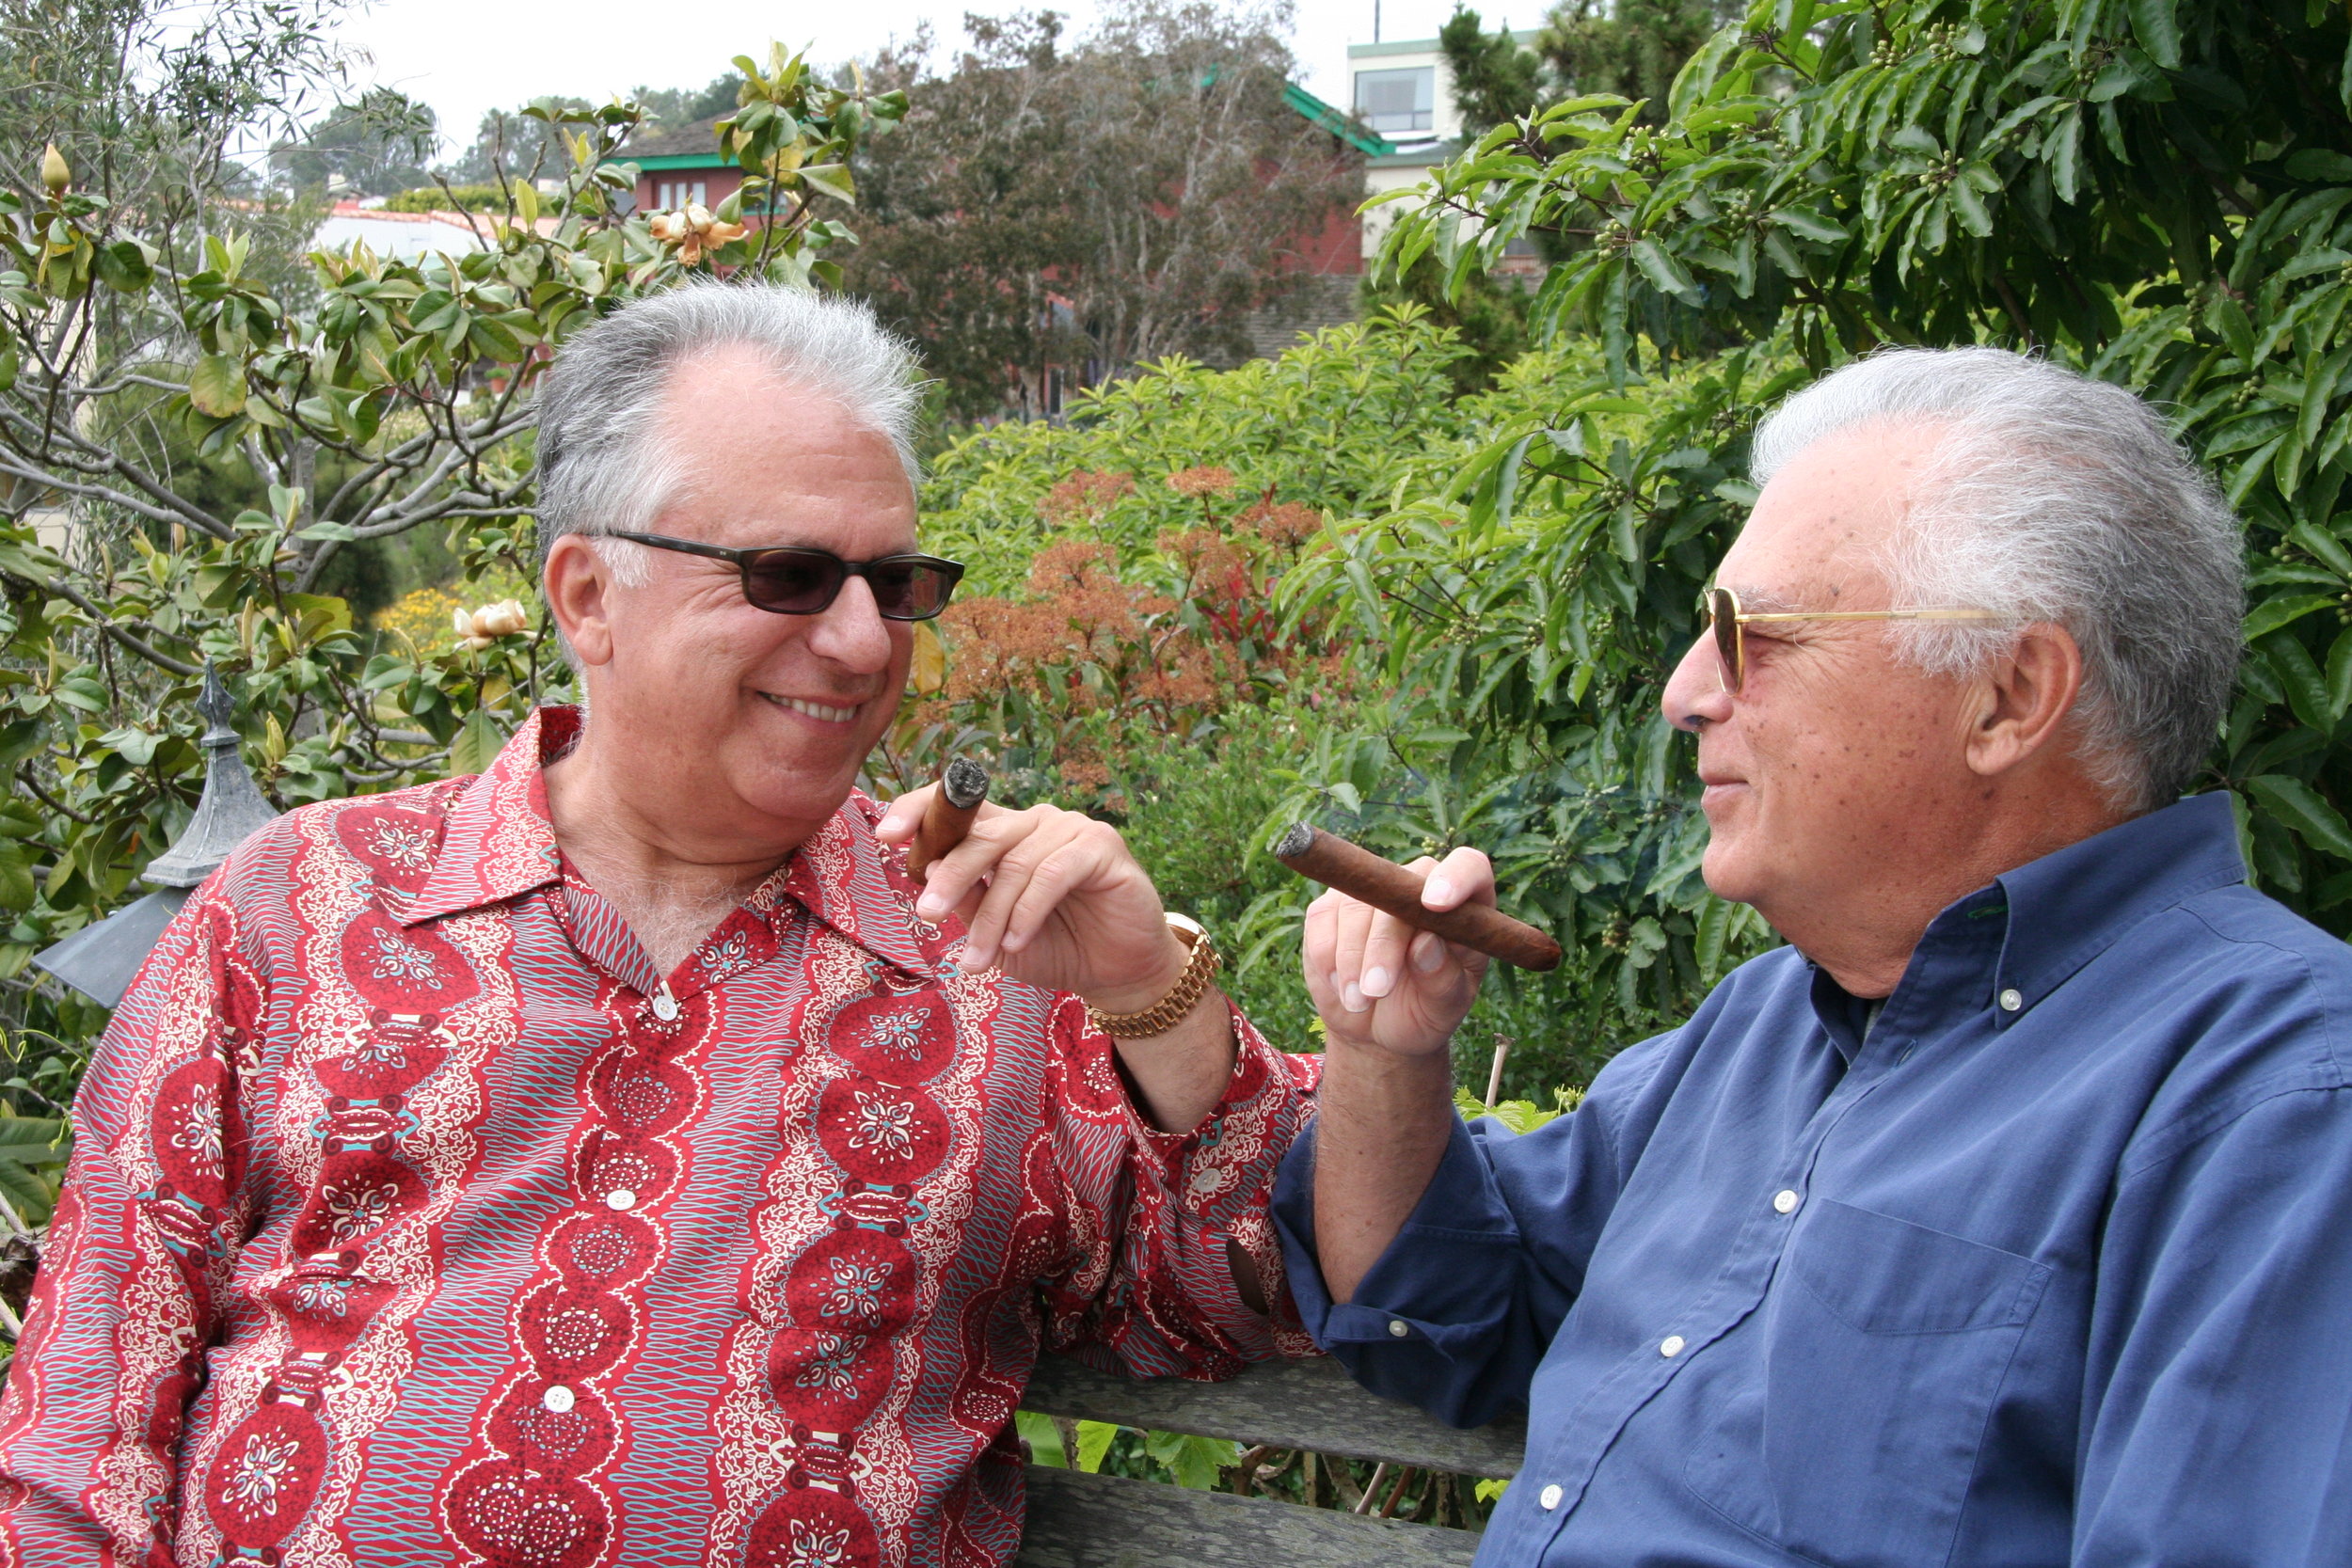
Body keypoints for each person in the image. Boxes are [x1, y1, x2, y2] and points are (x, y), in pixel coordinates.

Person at [0, 282, 1315, 1567]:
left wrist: (1155, 985)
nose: (864, 644)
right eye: (793, 575)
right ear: (584, 598)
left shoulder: (992, 948)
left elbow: (1255, 1287)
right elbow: (84, 1412)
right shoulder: (301, 903)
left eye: (896, 582)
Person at [1277, 346, 2352, 1567]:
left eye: (1752, 632)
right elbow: (1435, 1319)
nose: (1686, 693)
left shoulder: (2281, 1103)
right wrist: (1381, 1051)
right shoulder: (1764, 1024)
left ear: (2008, 695)